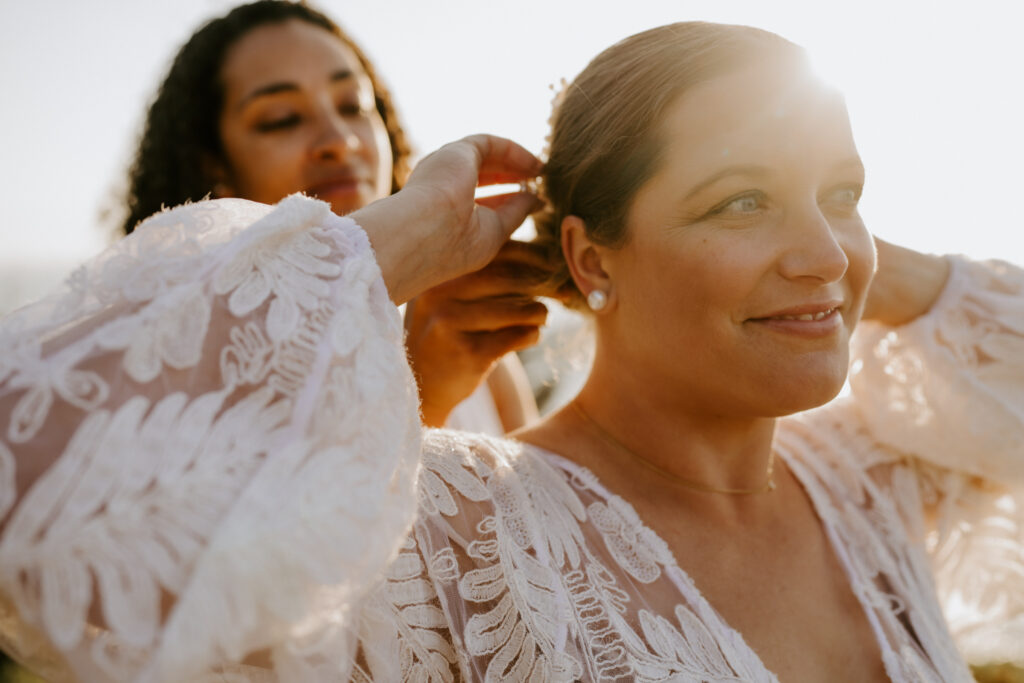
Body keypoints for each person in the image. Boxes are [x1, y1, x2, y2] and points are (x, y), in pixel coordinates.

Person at [0, 20, 1022, 683]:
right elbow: (30, 478)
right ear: (588, 252)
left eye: (843, 190)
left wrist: (847, 260)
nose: (819, 244)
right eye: (737, 198)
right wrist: (393, 244)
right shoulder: (453, 537)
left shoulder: (877, 482)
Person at [121, 0, 544, 433]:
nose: (339, 140)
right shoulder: (182, 361)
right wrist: (425, 393)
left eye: (353, 105)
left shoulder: (476, 352)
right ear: (215, 168)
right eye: (282, 119)